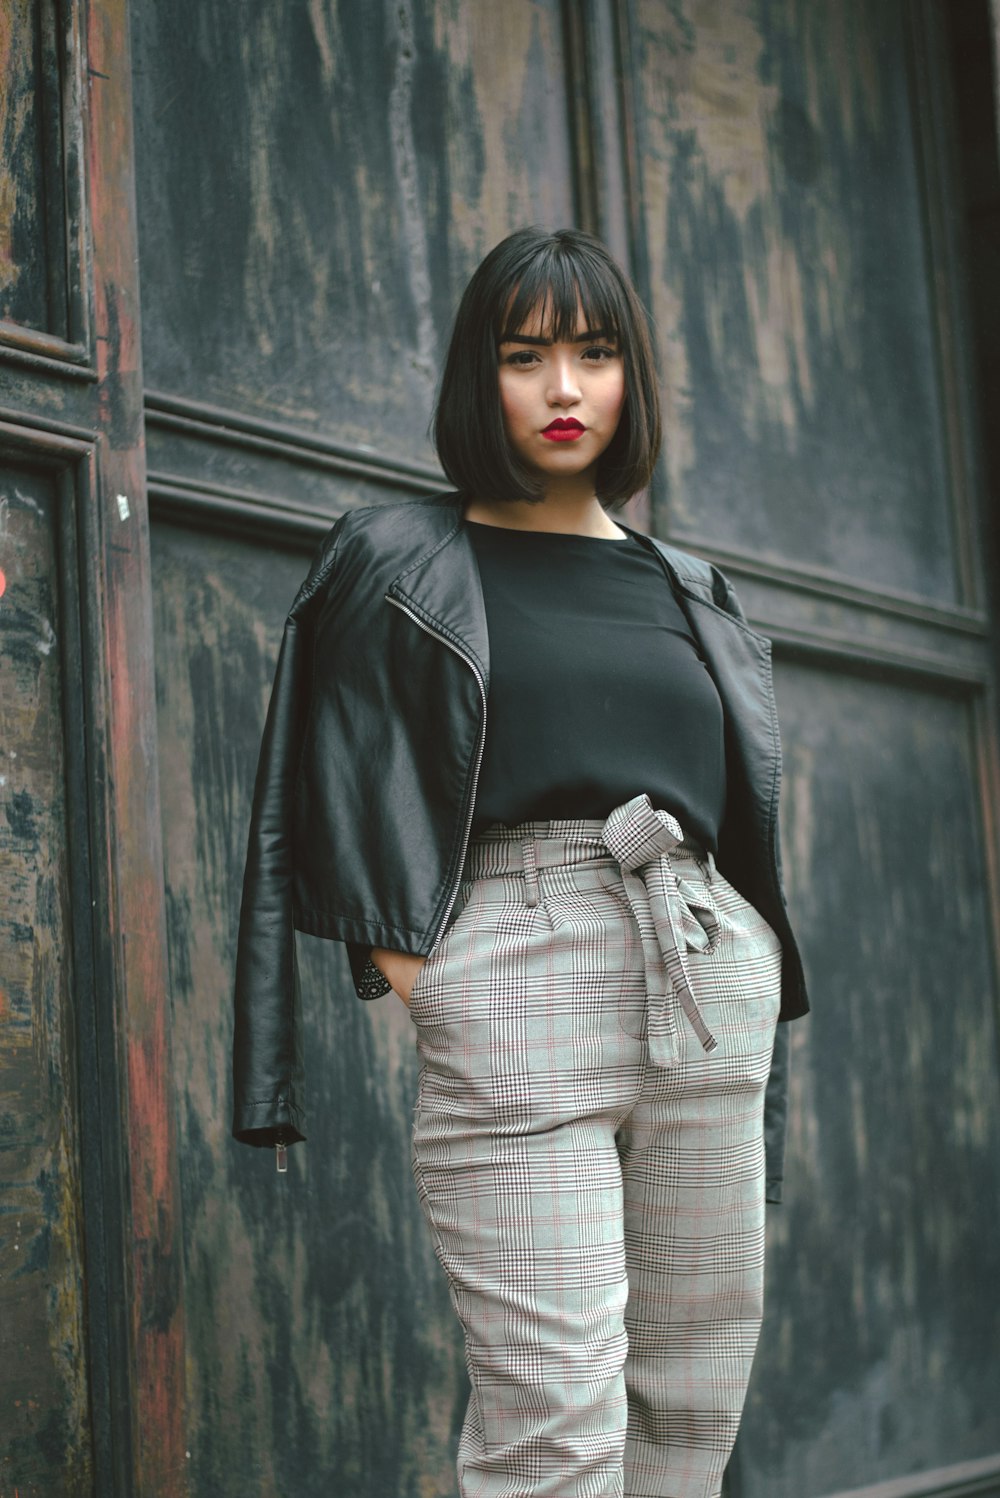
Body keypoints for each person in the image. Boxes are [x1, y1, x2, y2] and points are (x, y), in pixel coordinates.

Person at [232, 226, 809, 1498]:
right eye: (526, 354)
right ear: (475, 377)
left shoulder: (693, 586)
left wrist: (753, 957)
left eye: (595, 354)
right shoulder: (395, 559)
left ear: (629, 379)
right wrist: (431, 982)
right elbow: (326, 781)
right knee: (553, 1431)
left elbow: (738, 809)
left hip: (705, 980)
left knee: (689, 1415)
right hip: (512, 967)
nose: (564, 388)